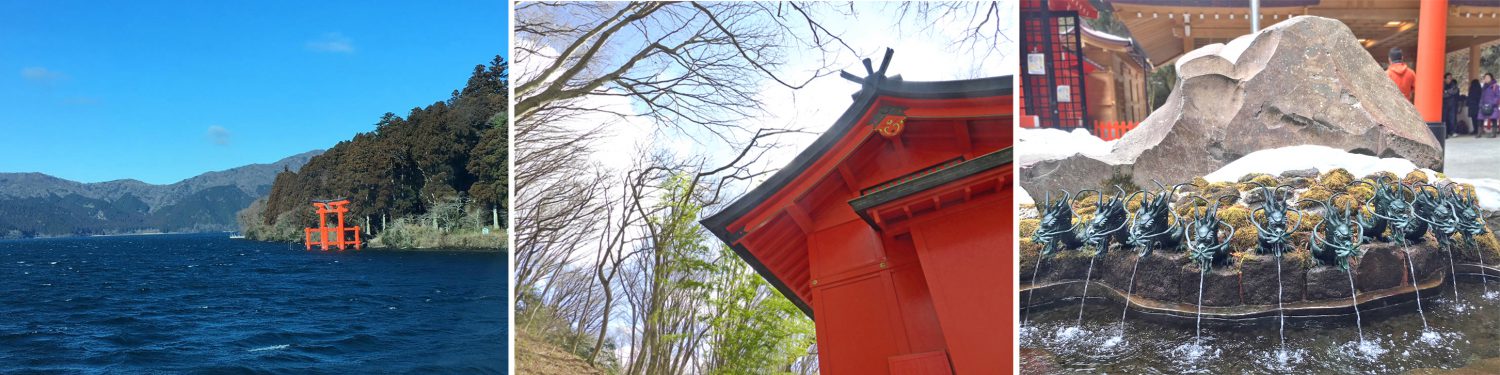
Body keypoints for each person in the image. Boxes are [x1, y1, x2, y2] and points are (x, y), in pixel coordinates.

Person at [1481, 73, 1500, 138]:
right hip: (1485, 106)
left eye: (1488, 77)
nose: (1486, 79)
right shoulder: (1484, 86)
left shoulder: (1495, 86)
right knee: (1481, 118)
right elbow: (1482, 96)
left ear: (1491, 78)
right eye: (1485, 77)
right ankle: (1480, 132)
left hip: (1492, 105)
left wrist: (1492, 103)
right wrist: (1482, 104)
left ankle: (1493, 133)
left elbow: (1498, 96)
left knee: (1493, 119)